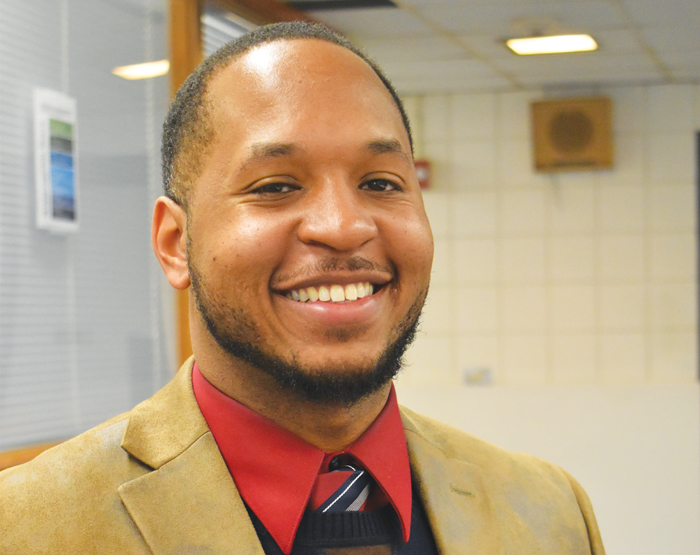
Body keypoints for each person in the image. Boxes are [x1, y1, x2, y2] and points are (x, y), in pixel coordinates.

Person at [0, 22, 605, 555]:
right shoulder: (24, 529)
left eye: (380, 182)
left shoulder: (549, 515)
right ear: (175, 243)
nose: (343, 227)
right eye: (275, 186)